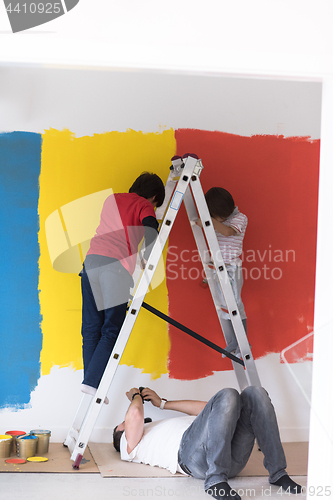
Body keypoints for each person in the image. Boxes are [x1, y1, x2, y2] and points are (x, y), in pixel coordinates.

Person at [113, 386, 302, 500]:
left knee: (255, 393)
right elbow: (136, 414)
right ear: (120, 430)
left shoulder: (158, 426)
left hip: (230, 459)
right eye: (122, 422)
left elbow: (211, 407)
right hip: (192, 458)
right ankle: (215, 480)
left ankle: (277, 472)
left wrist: (162, 404)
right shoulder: (128, 445)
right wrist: (136, 396)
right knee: (228, 393)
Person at [80, 173, 165, 399]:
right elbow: (151, 226)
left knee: (91, 327)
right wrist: (148, 254)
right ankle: (92, 381)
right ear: (154, 196)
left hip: (90, 263)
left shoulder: (112, 199)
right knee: (111, 328)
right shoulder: (144, 204)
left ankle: (91, 383)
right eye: (156, 204)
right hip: (114, 269)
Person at [197, 187, 248, 357]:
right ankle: (232, 341)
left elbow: (227, 232)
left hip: (232, 268)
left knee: (235, 304)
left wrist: (207, 220)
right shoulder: (215, 219)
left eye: (217, 216)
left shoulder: (240, 218)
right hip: (217, 268)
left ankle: (243, 342)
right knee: (222, 306)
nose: (218, 219)